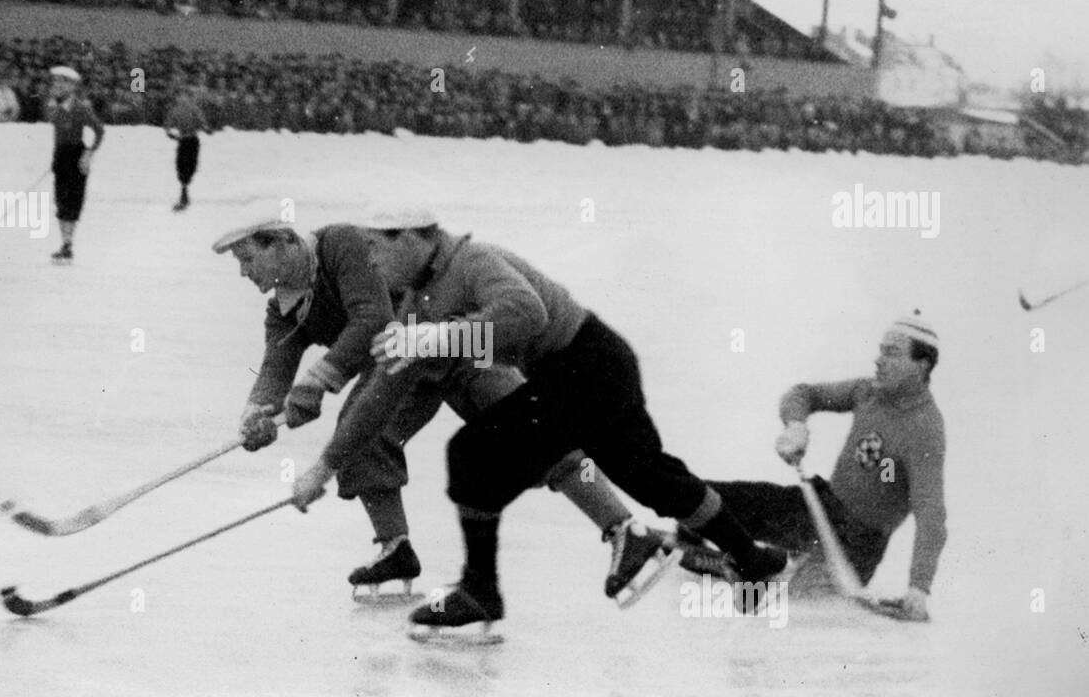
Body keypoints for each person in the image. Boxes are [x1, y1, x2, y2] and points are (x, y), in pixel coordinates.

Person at [289, 218, 789, 633]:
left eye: (377, 247)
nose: (372, 261)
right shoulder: (417, 303)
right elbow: (384, 395)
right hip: (579, 369)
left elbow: (527, 312)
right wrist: (325, 466)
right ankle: (754, 560)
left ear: (413, 237)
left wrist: (441, 336)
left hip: (587, 360)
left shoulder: (472, 260)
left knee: (475, 454)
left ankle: (482, 591)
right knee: (649, 475)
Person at [215, 212, 668, 601]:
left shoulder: (340, 244)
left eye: (247, 258)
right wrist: (259, 411)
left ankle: (625, 529)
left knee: (533, 432)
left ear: (285, 242)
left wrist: (319, 380)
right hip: (404, 366)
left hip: (453, 346)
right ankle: (396, 548)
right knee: (363, 434)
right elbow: (277, 365)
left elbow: (372, 317)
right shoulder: (285, 309)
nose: (243, 272)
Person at [688, 312, 946, 622]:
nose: (878, 360)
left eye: (891, 353)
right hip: (819, 507)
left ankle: (746, 561)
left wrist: (919, 588)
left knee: (786, 596)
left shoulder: (925, 429)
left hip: (853, 548)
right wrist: (796, 426)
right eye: (880, 350)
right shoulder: (868, 392)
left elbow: (932, 517)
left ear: (922, 365)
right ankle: (695, 541)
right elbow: (803, 394)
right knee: (703, 495)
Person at [45, 65, 104, 265]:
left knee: (73, 200)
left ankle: (68, 243)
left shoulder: (81, 108)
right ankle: (65, 244)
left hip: (77, 155)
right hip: (61, 155)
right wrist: (56, 158)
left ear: (71, 86)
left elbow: (99, 130)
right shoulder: (53, 106)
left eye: (61, 83)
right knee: (61, 201)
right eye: (55, 83)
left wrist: (88, 153)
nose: (56, 86)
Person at [165, 87, 210, 211]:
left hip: (192, 139)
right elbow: (168, 124)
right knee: (182, 165)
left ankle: (185, 187)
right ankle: (184, 189)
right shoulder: (174, 110)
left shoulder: (194, 109)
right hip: (183, 140)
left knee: (191, 164)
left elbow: (202, 121)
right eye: (180, 96)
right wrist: (170, 133)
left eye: (185, 96)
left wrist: (206, 128)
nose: (182, 99)